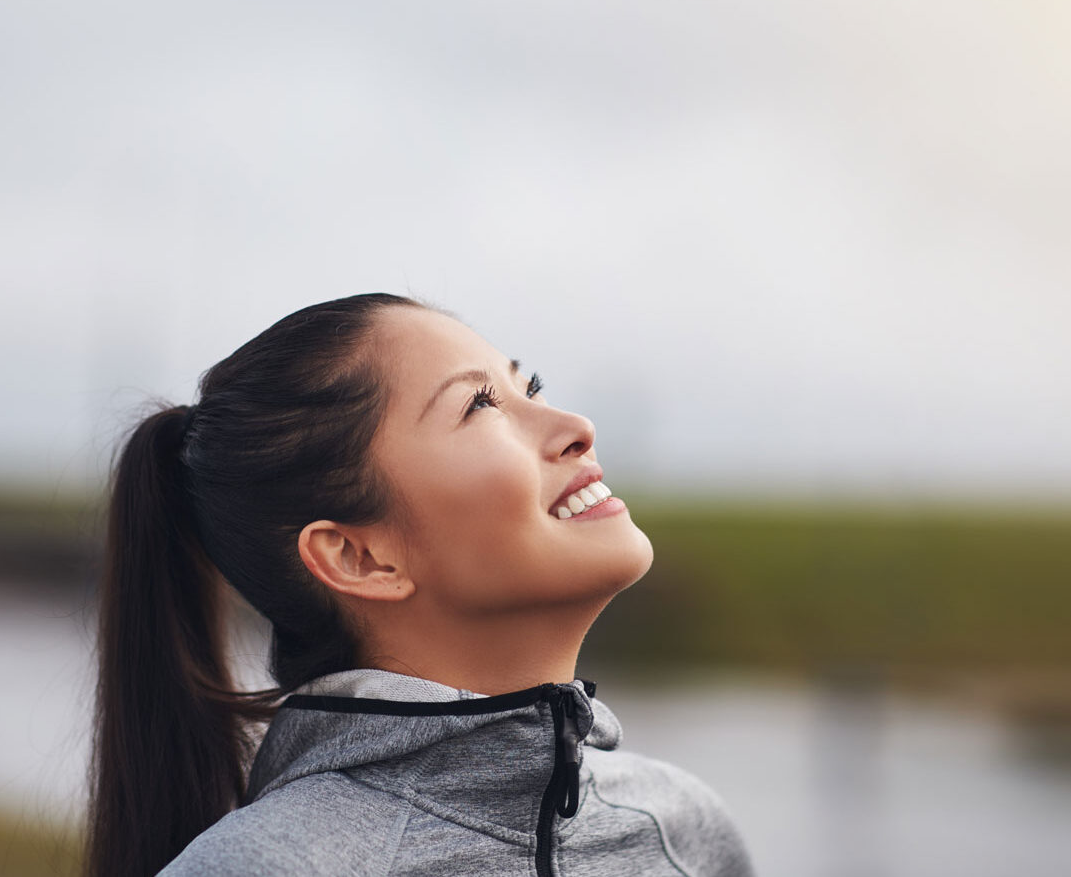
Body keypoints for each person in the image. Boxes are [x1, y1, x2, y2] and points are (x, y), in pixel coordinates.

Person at [85, 292, 755, 876]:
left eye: (531, 388)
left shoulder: (686, 834)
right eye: (480, 405)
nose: (578, 429)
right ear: (358, 556)